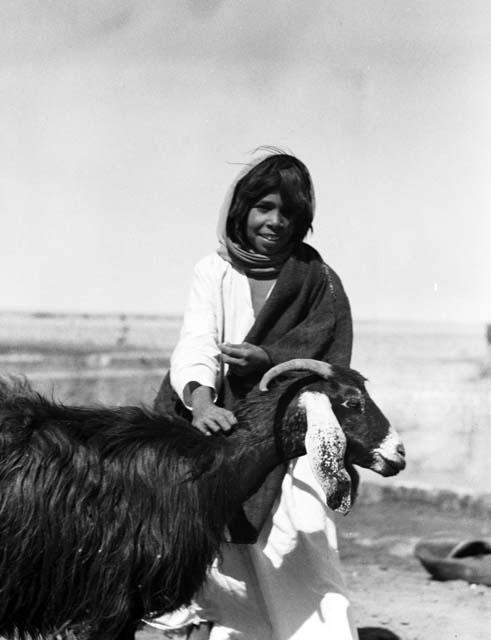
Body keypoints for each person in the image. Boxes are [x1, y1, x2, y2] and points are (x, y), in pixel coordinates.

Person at [149, 151, 357, 640]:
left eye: (288, 212)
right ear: (241, 209)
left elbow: (334, 369)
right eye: (265, 206)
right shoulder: (214, 271)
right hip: (218, 427)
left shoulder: (319, 282)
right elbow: (197, 341)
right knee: (217, 546)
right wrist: (201, 402)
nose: (275, 221)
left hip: (296, 437)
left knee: (303, 533)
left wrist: (269, 362)